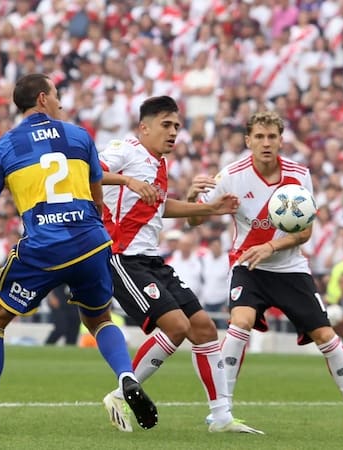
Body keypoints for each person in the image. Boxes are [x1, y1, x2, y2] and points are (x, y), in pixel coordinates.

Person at [0, 73, 157, 433]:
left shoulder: (4, 146)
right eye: (56, 95)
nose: (60, 102)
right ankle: (125, 377)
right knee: (99, 318)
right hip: (91, 241)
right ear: (42, 99)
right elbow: (96, 197)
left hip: (45, 245)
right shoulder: (78, 136)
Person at [188, 111, 343, 431]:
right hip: (248, 267)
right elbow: (194, 220)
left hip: (290, 269)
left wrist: (271, 246)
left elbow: (305, 233)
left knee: (326, 336)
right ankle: (222, 409)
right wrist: (193, 197)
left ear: (280, 140)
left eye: (271, 136)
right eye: (259, 137)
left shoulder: (299, 174)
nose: (265, 143)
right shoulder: (231, 175)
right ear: (248, 140)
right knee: (239, 323)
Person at [97, 96, 261, 434]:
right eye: (166, 125)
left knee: (202, 327)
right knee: (176, 327)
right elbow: (87, 171)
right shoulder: (125, 149)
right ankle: (119, 394)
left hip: (151, 260)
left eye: (176, 126)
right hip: (122, 258)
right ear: (144, 127)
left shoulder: (158, 163)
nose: (174, 132)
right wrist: (127, 181)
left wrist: (212, 208)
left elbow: (159, 209)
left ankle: (221, 417)